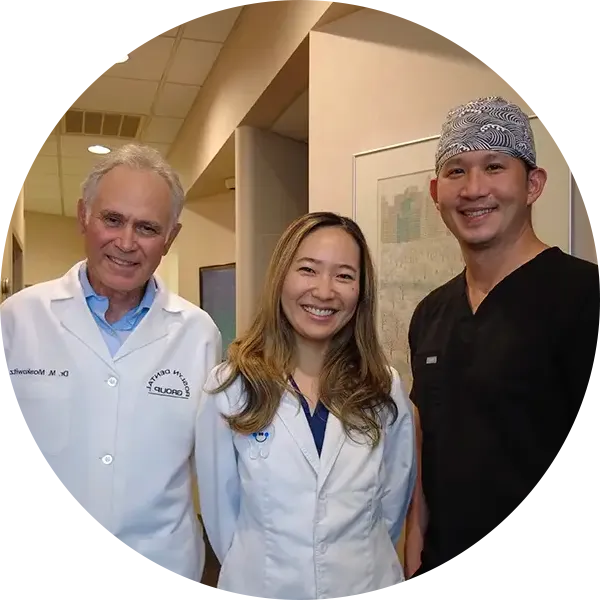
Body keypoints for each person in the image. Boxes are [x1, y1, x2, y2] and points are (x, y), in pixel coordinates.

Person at [0, 143, 222, 585]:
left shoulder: (199, 334)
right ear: (84, 216)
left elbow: (215, 466)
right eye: (113, 219)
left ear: (170, 237)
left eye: (147, 227)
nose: (126, 243)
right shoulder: (17, 319)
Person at [404, 96, 600, 583]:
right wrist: (414, 553)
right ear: (436, 191)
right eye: (456, 171)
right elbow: (427, 448)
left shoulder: (585, 299)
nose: (474, 189)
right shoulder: (431, 314)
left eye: (494, 166)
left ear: (533, 184)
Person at [195, 212, 416, 599]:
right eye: (308, 270)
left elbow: (389, 510)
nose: (324, 291)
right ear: (281, 276)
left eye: (344, 275)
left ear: (361, 291)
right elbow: (222, 519)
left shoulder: (384, 388)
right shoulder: (231, 387)